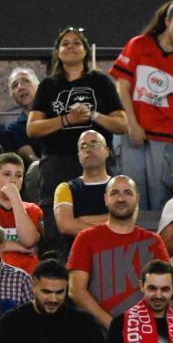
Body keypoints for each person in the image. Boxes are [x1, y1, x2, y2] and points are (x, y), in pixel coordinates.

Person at [108, 3, 173, 215]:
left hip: (163, 139)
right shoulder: (139, 45)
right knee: (131, 191)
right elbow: (122, 86)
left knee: (161, 196)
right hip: (133, 132)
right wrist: (132, 124)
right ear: (167, 22)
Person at [34, 28, 127, 216]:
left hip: (98, 161)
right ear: (58, 52)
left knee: (101, 211)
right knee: (56, 215)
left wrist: (93, 115)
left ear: (85, 50)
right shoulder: (48, 85)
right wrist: (67, 119)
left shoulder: (101, 81)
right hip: (57, 161)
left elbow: (122, 125)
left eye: (76, 43)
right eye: (65, 43)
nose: (71, 47)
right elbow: (33, 128)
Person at [67, 177, 165, 327]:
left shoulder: (154, 242)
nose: (121, 198)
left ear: (137, 199)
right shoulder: (86, 238)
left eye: (127, 193)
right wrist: (113, 325)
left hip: (145, 333)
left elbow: (165, 291)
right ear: (105, 199)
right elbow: (76, 290)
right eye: (114, 193)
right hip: (97, 335)